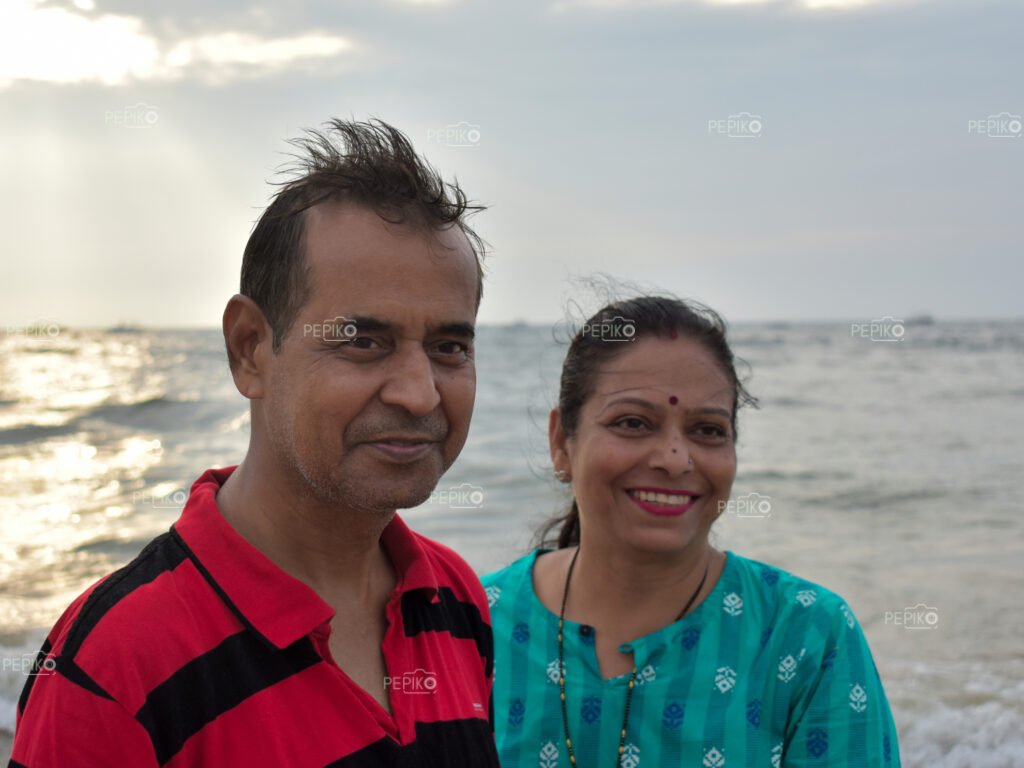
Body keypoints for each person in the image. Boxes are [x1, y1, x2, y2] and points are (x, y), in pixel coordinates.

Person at [11, 119, 500, 767]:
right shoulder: (113, 668)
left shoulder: (454, 597)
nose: (419, 393)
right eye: (363, 340)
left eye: (448, 347)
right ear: (250, 349)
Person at [482, 296, 901, 767]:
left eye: (707, 430)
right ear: (561, 441)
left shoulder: (806, 635)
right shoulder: (469, 627)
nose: (675, 459)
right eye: (633, 423)